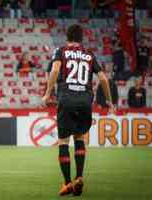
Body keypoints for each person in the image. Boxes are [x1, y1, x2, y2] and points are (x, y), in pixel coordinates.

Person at [42, 24, 115, 196]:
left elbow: (54, 70)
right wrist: (109, 102)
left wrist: (47, 94)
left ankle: (67, 183)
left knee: (63, 142)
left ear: (67, 37)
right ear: (81, 38)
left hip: (66, 99)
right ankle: (79, 177)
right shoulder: (89, 55)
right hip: (84, 100)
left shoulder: (61, 51)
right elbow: (103, 79)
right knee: (80, 137)